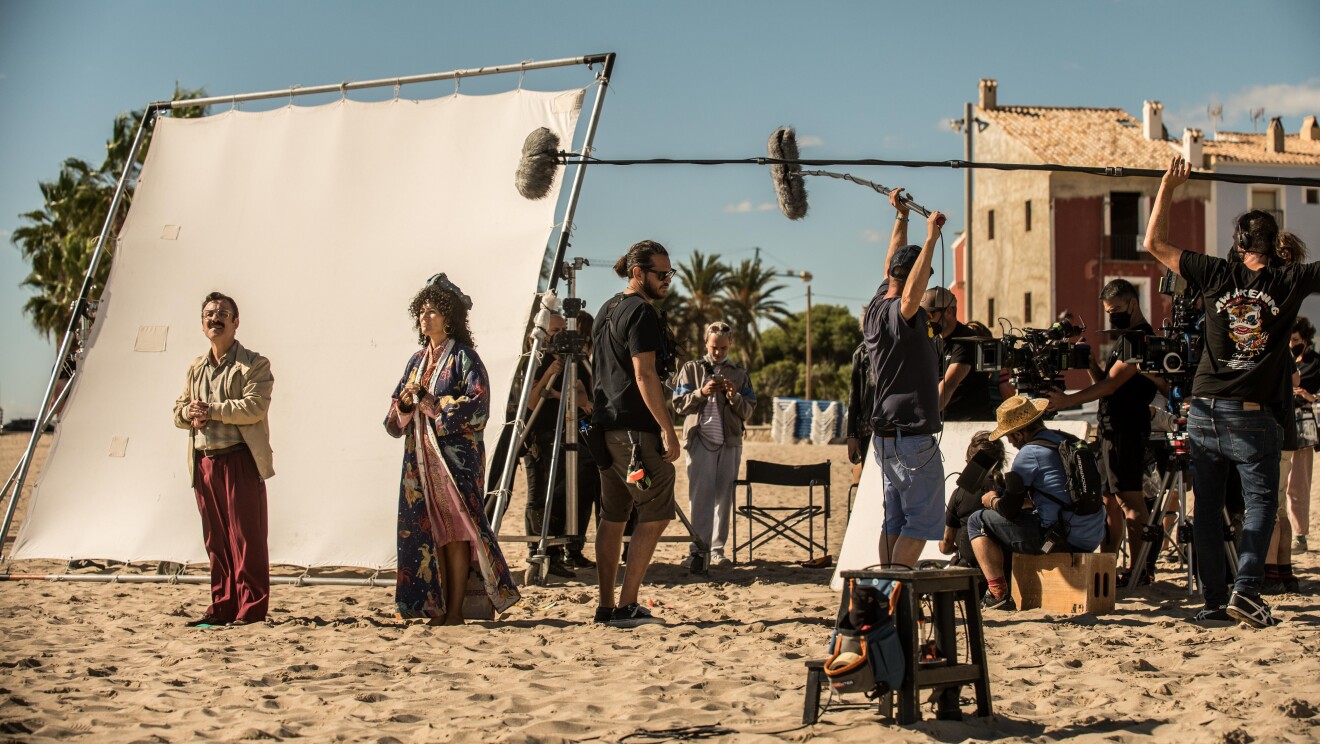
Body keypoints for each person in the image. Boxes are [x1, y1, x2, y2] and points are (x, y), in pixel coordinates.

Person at [1143, 155, 1316, 627]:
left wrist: (1168, 187)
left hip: (1204, 410)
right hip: (1252, 413)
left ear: (1240, 246)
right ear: (1275, 244)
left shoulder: (1217, 272)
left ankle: (1215, 604)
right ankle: (1246, 591)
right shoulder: (1289, 279)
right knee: (1261, 504)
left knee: (1207, 509)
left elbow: (1152, 242)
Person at [384, 274, 519, 625]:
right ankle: (439, 607)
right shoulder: (416, 361)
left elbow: (479, 406)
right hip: (422, 463)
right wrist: (405, 404)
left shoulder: (465, 358)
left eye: (432, 312)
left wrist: (431, 403)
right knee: (435, 532)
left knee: (459, 531)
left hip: (454, 461)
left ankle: (457, 610)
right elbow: (393, 418)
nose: (425, 318)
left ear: (449, 317)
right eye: (422, 312)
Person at [590, 240, 680, 627]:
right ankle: (627, 605)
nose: (667, 281)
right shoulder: (640, 313)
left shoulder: (606, 309)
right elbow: (644, 376)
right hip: (633, 432)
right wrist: (668, 430)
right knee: (657, 510)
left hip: (605, 430)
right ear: (637, 273)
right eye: (661, 275)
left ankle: (606, 606)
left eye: (670, 274)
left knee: (613, 516)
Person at [1045, 279, 1158, 586]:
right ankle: (1107, 566)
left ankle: (1140, 571)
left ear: (1132, 304)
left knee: (1129, 501)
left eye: (1116, 310)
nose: (1112, 316)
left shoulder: (1140, 339)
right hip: (1111, 429)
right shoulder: (1125, 339)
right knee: (1109, 500)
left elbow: (1110, 386)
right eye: (1108, 311)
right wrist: (1090, 362)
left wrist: (1067, 400)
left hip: (1127, 430)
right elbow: (1106, 385)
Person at [172, 292, 274, 627]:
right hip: (204, 461)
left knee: (247, 539)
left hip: (239, 461)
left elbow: (254, 407)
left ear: (236, 321)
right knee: (216, 541)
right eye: (209, 314)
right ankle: (223, 605)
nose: (215, 319)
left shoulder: (255, 364)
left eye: (222, 314)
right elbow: (178, 410)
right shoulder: (195, 368)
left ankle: (251, 609)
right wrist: (189, 412)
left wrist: (212, 411)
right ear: (202, 324)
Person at [864, 188, 947, 567]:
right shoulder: (902, 312)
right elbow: (912, 295)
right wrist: (930, 238)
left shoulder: (879, 302)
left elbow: (890, 268)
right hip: (911, 437)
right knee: (922, 521)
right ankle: (895, 588)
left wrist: (901, 217)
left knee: (895, 519)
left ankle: (884, 595)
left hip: (887, 437)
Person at [967, 396, 1107, 610]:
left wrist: (992, 499)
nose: (1011, 443)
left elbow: (1009, 509)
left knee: (977, 521)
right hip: (1093, 534)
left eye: (1010, 437)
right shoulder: (1067, 440)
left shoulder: (1029, 453)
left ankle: (997, 595)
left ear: (1019, 433)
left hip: (1061, 538)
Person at [673, 321, 756, 570]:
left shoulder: (739, 374)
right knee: (700, 497)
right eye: (713, 347)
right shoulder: (691, 369)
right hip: (699, 439)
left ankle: (717, 550)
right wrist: (701, 392)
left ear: (730, 343)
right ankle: (698, 549)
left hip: (730, 441)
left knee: (724, 496)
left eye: (722, 347)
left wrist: (734, 396)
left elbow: (748, 410)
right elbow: (678, 403)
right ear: (705, 344)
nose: (718, 352)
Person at [522, 310, 597, 577]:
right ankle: (538, 552)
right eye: (555, 332)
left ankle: (557, 552)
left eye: (563, 332)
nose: (559, 338)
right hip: (537, 436)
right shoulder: (534, 361)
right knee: (539, 496)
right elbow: (530, 403)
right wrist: (548, 377)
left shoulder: (570, 362)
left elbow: (582, 397)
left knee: (561, 495)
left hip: (563, 434)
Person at [924, 287, 996, 421]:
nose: (926, 321)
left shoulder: (966, 339)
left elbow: (950, 383)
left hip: (970, 424)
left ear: (949, 311)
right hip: (946, 423)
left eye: (930, 315)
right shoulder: (933, 340)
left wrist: (923, 416)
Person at [939, 431, 1006, 569]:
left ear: (970, 463)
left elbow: (945, 545)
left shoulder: (960, 493)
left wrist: (954, 546)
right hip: (1005, 568)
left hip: (971, 569)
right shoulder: (1009, 490)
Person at [1286, 316, 1319, 554]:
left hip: (1303, 427)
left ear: (1306, 339)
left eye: (1296, 339)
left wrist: (1311, 397)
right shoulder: (1282, 357)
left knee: (1299, 483)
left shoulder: (1316, 363)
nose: (1291, 343)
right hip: (1281, 421)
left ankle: (1300, 534)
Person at [846, 312, 876, 486]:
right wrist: (852, 435)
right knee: (869, 480)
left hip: (892, 427)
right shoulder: (861, 353)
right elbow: (854, 397)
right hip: (867, 428)